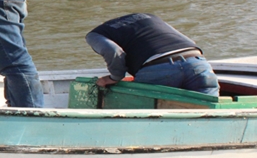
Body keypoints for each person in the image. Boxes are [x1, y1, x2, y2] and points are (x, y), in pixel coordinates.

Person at [86, 13, 220, 96]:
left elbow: (113, 51)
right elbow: (190, 42)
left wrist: (114, 77)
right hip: (197, 63)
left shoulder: (94, 34)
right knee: (208, 111)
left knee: (149, 118)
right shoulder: (150, 17)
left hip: (156, 68)